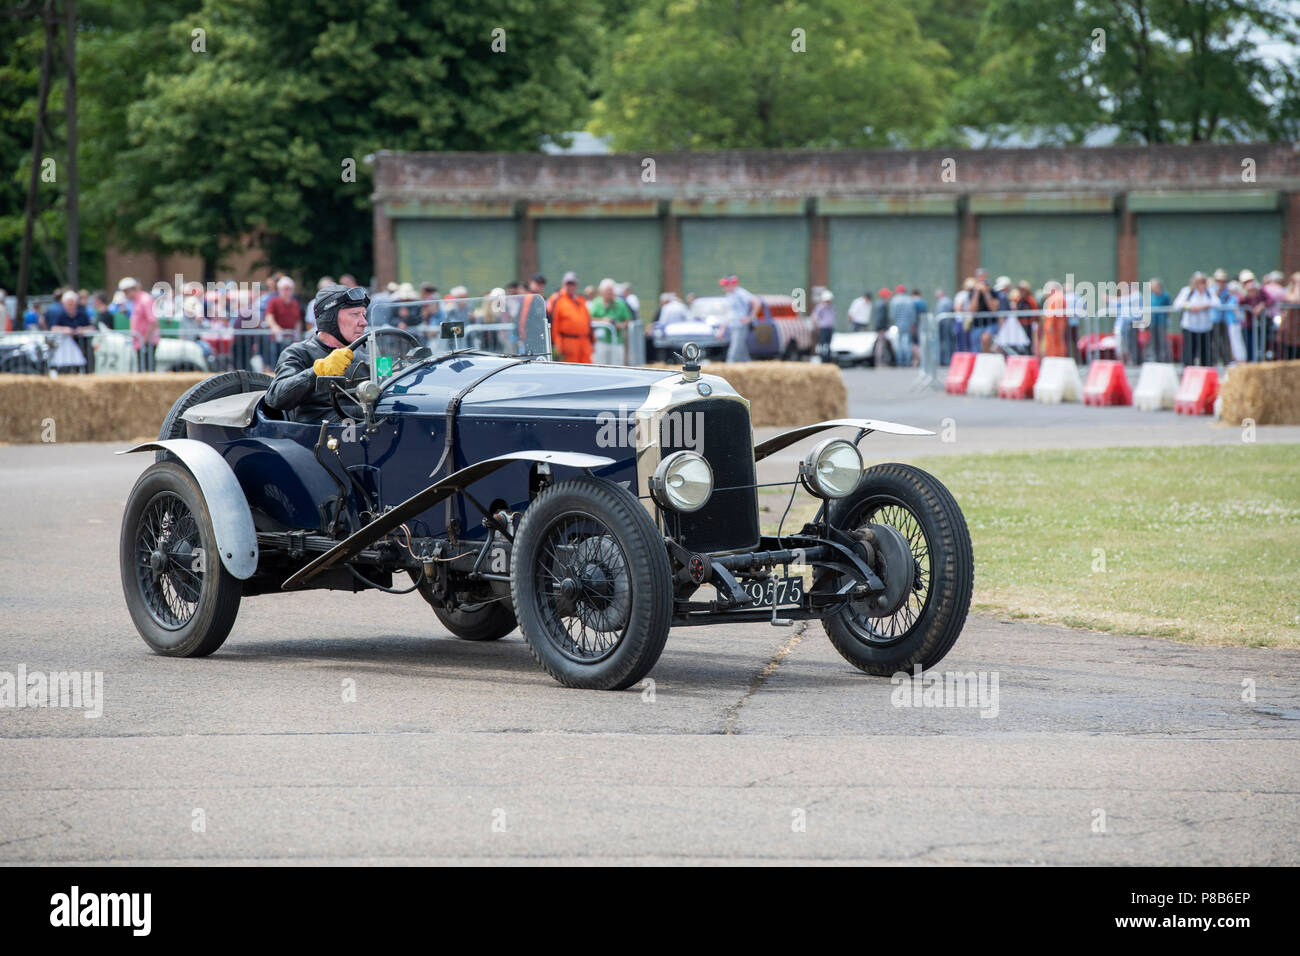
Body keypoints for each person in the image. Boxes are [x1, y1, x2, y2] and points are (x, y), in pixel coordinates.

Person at [264, 285, 370, 422]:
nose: (364, 322)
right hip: (316, 438)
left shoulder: (365, 358)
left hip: (366, 435)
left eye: (364, 315)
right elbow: (275, 398)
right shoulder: (299, 353)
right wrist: (317, 372)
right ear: (329, 317)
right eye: (355, 314)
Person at [549, 271, 593, 363]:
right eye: (568, 284)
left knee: (587, 371)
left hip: (584, 343)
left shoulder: (581, 300)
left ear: (576, 285)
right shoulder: (558, 300)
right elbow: (554, 324)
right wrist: (557, 345)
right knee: (571, 372)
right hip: (568, 343)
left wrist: (592, 340)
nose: (570, 286)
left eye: (573, 284)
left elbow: (588, 321)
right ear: (563, 284)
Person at [45, 289, 95, 372]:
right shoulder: (61, 316)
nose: (70, 306)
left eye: (72, 304)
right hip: (66, 351)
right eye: (68, 304)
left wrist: (82, 330)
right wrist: (64, 330)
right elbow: (53, 328)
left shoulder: (82, 315)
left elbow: (92, 328)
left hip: (82, 347)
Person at [1174, 272, 1215, 367]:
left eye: (1203, 282)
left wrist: (1203, 306)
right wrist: (1191, 307)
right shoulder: (1187, 291)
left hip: (1205, 327)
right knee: (1190, 351)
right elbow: (1177, 304)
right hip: (1190, 327)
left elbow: (1217, 303)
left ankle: (1206, 371)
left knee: (1205, 352)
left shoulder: (1209, 292)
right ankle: (1188, 371)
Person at [120, 277, 159, 372]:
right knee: (143, 370)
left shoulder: (145, 300)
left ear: (131, 290)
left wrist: (144, 341)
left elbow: (153, 322)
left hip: (146, 342)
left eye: (125, 292)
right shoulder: (137, 301)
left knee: (147, 370)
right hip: (141, 342)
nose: (125, 295)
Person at [590, 277, 634, 361]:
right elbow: (589, 319)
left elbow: (627, 320)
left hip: (617, 342)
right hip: (600, 342)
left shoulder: (620, 303)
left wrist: (619, 325)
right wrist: (603, 321)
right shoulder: (596, 303)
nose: (609, 295)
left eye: (610, 292)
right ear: (602, 292)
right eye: (607, 292)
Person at [265, 275, 303, 362]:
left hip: (291, 340)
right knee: (276, 361)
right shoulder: (274, 302)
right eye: (284, 289)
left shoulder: (295, 303)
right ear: (279, 290)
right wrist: (275, 327)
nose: (286, 291)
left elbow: (298, 320)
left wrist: (297, 334)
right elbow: (269, 317)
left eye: (288, 289)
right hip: (277, 340)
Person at [718, 275, 754, 363]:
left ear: (732, 284)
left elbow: (756, 302)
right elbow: (728, 314)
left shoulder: (741, 293)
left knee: (734, 350)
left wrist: (751, 317)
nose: (724, 287)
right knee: (742, 350)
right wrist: (722, 329)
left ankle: (729, 366)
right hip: (733, 326)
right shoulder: (729, 295)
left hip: (740, 325)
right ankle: (748, 364)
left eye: (726, 285)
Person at [888, 283, 917, 366]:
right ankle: (908, 361)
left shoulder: (894, 300)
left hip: (898, 324)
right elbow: (912, 313)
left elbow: (892, 314)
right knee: (908, 343)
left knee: (899, 343)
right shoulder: (909, 300)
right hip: (908, 324)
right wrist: (913, 323)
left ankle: (900, 362)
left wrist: (894, 322)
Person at [1039, 281, 1068, 358]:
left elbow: (1053, 315)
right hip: (1054, 328)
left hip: (1054, 329)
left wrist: (1050, 326)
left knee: (1056, 345)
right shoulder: (1057, 297)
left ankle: (1056, 357)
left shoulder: (1057, 298)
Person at [1147, 278, 1172, 363]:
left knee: (1162, 341)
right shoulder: (1151, 296)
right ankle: (1155, 358)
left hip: (1162, 322)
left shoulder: (1165, 295)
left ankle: (1164, 358)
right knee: (1154, 341)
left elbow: (1168, 309)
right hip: (1153, 322)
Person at [812, 290, 835, 362]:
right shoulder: (820, 307)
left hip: (829, 328)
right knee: (822, 344)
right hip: (823, 328)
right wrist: (817, 327)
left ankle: (827, 358)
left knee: (828, 345)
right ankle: (822, 358)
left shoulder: (831, 308)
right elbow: (814, 317)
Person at [871, 287, 892, 366]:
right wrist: (884, 327)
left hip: (879, 327)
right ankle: (879, 362)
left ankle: (880, 361)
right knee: (880, 345)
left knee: (880, 345)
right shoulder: (883, 305)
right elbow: (882, 318)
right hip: (881, 328)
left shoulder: (878, 303)